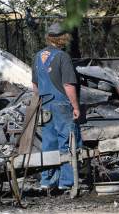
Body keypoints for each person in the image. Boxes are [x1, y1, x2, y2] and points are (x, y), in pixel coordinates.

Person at [32, 23, 82, 190]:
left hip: (44, 103)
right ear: (62, 38)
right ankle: (66, 182)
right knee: (67, 141)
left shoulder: (37, 56)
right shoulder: (62, 56)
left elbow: (35, 85)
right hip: (61, 104)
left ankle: (47, 181)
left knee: (48, 142)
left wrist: (39, 102)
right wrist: (75, 107)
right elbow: (68, 84)